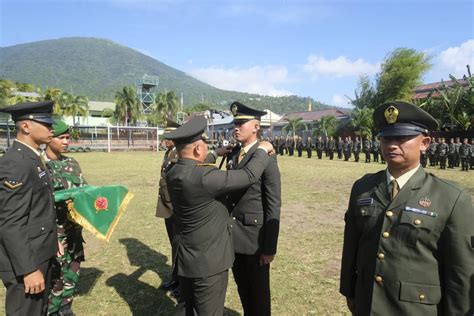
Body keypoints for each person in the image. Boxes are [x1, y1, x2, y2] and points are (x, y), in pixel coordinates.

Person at [340, 101, 473, 315]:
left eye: (401, 138)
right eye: (386, 138)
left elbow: (461, 273)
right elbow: (352, 244)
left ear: (425, 143)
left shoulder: (450, 197)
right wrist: (349, 290)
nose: (392, 145)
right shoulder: (363, 187)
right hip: (368, 303)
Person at [165, 115, 274, 315]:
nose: (207, 148)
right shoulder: (206, 177)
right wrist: (262, 150)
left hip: (186, 259)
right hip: (208, 263)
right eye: (205, 145)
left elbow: (190, 163)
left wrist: (215, 153)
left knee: (192, 309)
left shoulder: (172, 171)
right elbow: (248, 176)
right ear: (198, 149)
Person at [0, 101, 58, 315]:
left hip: (39, 251)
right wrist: (29, 270)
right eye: (46, 123)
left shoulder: (32, 157)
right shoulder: (16, 163)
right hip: (27, 262)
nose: (51, 128)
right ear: (25, 126)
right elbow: (11, 222)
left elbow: (38, 209)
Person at [226, 101, 281, 316]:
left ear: (256, 127)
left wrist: (269, 247)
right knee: (243, 289)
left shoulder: (266, 157)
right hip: (233, 236)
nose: (236, 128)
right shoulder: (233, 154)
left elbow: (273, 203)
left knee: (259, 295)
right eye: (234, 124)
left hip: (254, 239)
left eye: (241, 123)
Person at [44, 120, 88, 316]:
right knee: (56, 273)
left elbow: (84, 189)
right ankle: (52, 310)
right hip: (54, 229)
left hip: (73, 228)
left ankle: (65, 306)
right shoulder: (40, 165)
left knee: (73, 267)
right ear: (49, 138)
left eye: (67, 138)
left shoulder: (71, 163)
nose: (65, 142)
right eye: (60, 137)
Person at [155, 119, 181, 296]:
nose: (165, 139)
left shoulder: (179, 153)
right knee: (173, 243)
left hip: (176, 207)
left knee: (180, 244)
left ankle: (182, 282)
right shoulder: (169, 153)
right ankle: (176, 278)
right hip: (168, 205)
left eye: (168, 136)